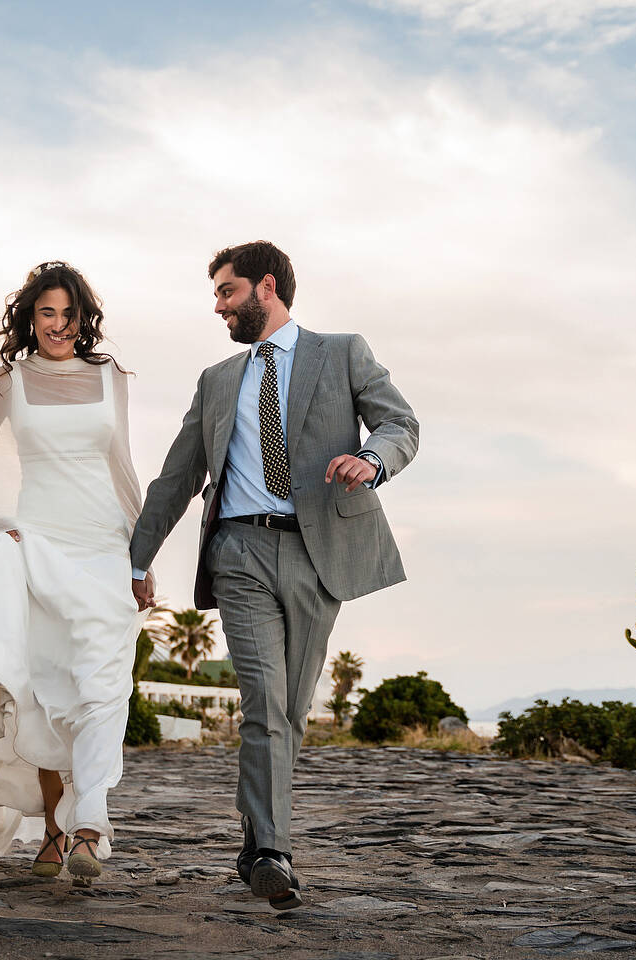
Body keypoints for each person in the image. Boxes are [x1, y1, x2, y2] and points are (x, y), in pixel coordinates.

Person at [129, 241, 419, 910]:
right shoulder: (217, 380)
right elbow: (178, 476)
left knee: (289, 708)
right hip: (239, 553)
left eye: (227, 292)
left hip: (322, 554)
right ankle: (274, 853)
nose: (218, 306)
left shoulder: (342, 352)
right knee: (262, 699)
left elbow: (400, 424)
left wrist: (371, 459)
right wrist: (139, 558)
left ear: (266, 287)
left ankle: (256, 830)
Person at [0, 260, 152, 887]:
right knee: (42, 694)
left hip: (103, 545)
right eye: (47, 313)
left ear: (84, 317)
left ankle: (89, 824)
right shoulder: (9, 383)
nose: (59, 325)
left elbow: (123, 467)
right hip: (38, 544)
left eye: (68, 313)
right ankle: (60, 832)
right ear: (30, 318)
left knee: (103, 686)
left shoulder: (110, 376)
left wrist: (142, 558)